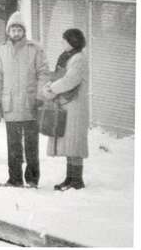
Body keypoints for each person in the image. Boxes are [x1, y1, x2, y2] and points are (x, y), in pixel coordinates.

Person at [0, 11, 50, 188]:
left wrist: (40, 96)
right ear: (8, 31)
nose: (16, 33)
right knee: (13, 145)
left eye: (19, 29)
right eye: (13, 30)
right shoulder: (1, 51)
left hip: (30, 103)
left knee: (31, 144)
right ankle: (14, 178)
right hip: (10, 105)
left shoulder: (35, 49)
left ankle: (32, 179)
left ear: (24, 31)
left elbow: (43, 73)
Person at [41, 28, 89, 191]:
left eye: (64, 40)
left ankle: (76, 180)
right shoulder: (68, 57)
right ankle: (70, 178)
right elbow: (58, 76)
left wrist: (51, 89)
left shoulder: (79, 58)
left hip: (74, 106)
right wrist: (50, 86)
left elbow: (70, 80)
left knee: (74, 143)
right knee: (69, 143)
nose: (62, 43)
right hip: (66, 104)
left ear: (72, 41)